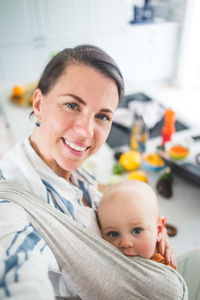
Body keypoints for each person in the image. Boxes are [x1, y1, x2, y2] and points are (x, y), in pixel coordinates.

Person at [0, 45, 187, 300]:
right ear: (38, 103)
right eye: (72, 105)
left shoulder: (71, 168)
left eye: (102, 115)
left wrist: (145, 225)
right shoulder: (10, 203)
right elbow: (16, 276)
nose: (86, 131)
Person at [98, 179, 175, 269]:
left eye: (137, 230)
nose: (125, 243)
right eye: (113, 234)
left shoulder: (164, 268)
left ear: (159, 230)